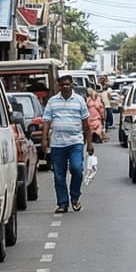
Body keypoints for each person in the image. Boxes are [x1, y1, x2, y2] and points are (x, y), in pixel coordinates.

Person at [43, 76, 91, 213]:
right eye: (62, 84)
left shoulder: (79, 100)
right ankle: (62, 203)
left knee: (77, 169)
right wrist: (44, 139)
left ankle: (75, 197)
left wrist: (89, 143)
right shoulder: (52, 101)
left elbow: (86, 123)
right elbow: (46, 120)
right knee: (59, 175)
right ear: (59, 85)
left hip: (75, 142)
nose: (65, 87)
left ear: (72, 85)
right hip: (58, 144)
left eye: (68, 84)